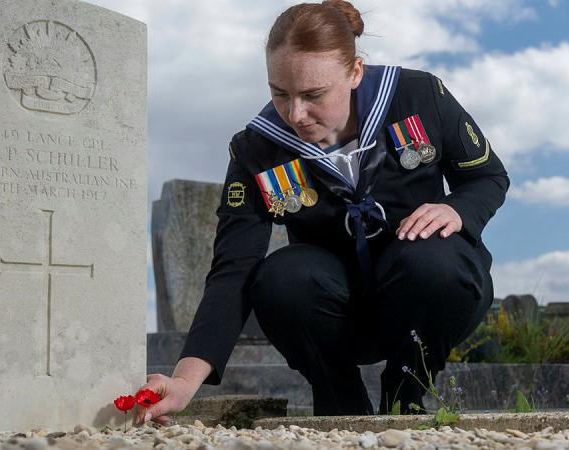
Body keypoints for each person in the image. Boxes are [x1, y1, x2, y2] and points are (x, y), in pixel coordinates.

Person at [133, 0, 509, 425]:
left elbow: (487, 177)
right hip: (335, 314)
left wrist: (456, 210)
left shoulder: (419, 96)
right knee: (281, 277)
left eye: (313, 95)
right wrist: (184, 381)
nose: (295, 114)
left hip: (424, 295)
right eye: (279, 92)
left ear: (354, 72)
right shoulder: (258, 148)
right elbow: (233, 269)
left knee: (437, 258)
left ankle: (405, 398)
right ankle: (339, 406)